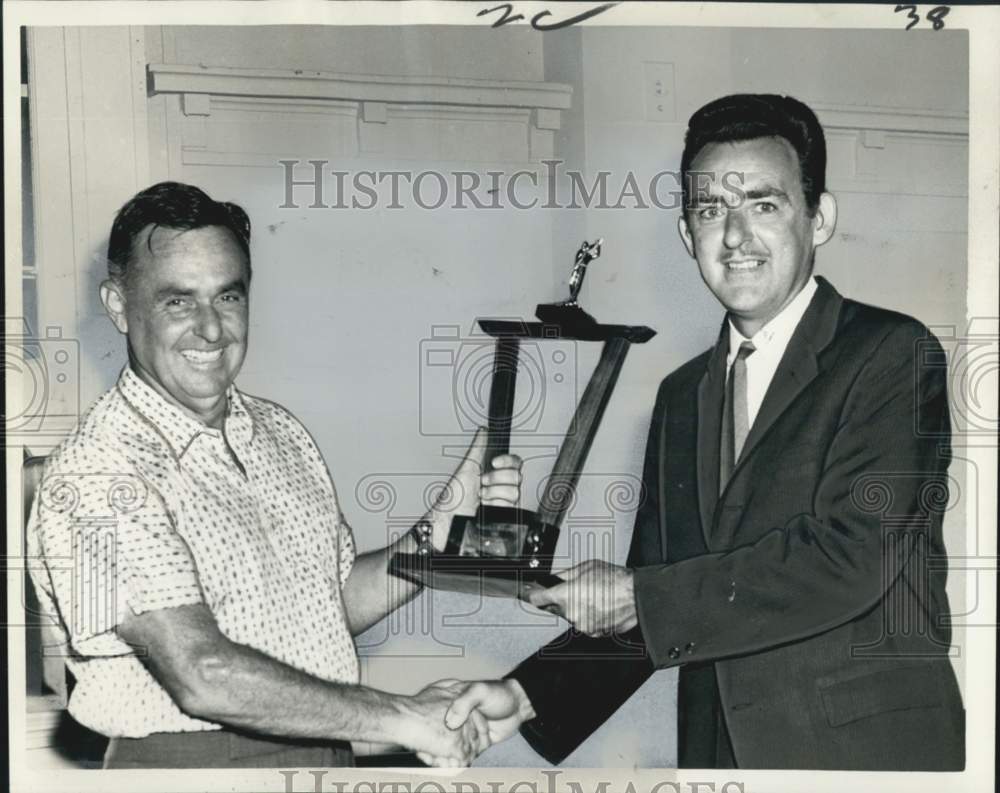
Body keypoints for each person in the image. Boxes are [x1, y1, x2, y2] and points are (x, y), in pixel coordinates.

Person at [445, 93, 965, 770]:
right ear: (687, 233)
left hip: (865, 758)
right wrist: (523, 695)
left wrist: (638, 595)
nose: (735, 236)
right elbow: (664, 593)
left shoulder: (892, 353)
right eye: (711, 209)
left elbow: (855, 556)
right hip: (719, 758)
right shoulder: (682, 394)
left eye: (764, 204)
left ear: (821, 217)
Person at [26, 181, 524, 769]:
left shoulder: (280, 433)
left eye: (228, 298)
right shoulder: (93, 474)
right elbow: (202, 675)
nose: (211, 330)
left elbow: (326, 604)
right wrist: (402, 718)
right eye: (177, 301)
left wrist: (444, 526)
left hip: (322, 751)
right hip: (187, 770)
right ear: (118, 306)